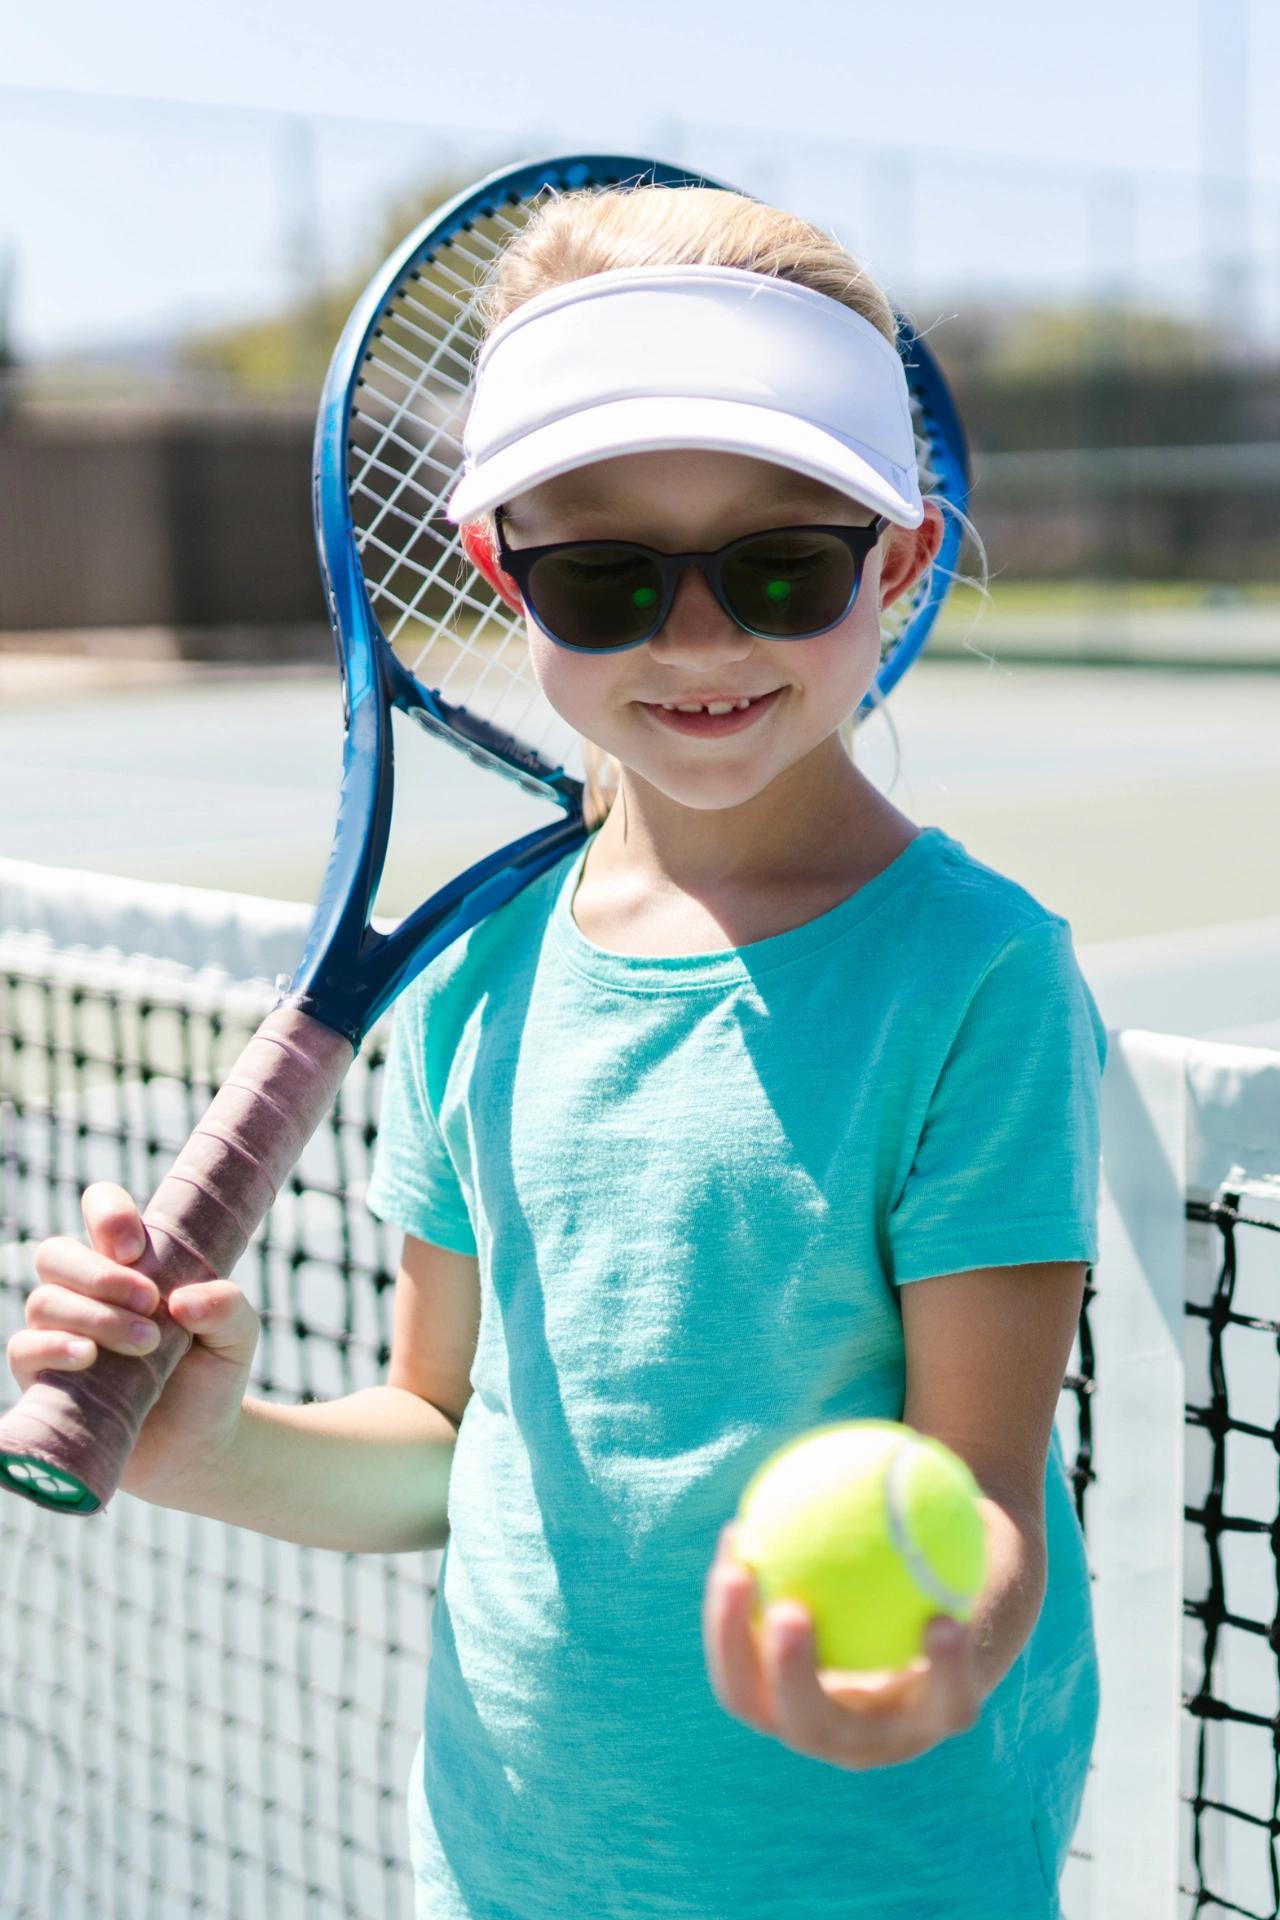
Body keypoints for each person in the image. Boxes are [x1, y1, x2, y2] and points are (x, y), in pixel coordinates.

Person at [9, 186, 1108, 1919]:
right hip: (506, 1873)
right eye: (603, 575)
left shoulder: (977, 980)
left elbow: (977, 1497)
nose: (694, 639)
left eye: (780, 565)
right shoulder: (478, 980)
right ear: (494, 569)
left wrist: (940, 1667)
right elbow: (442, 1434)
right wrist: (204, 1444)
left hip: (883, 1883)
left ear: (898, 563)